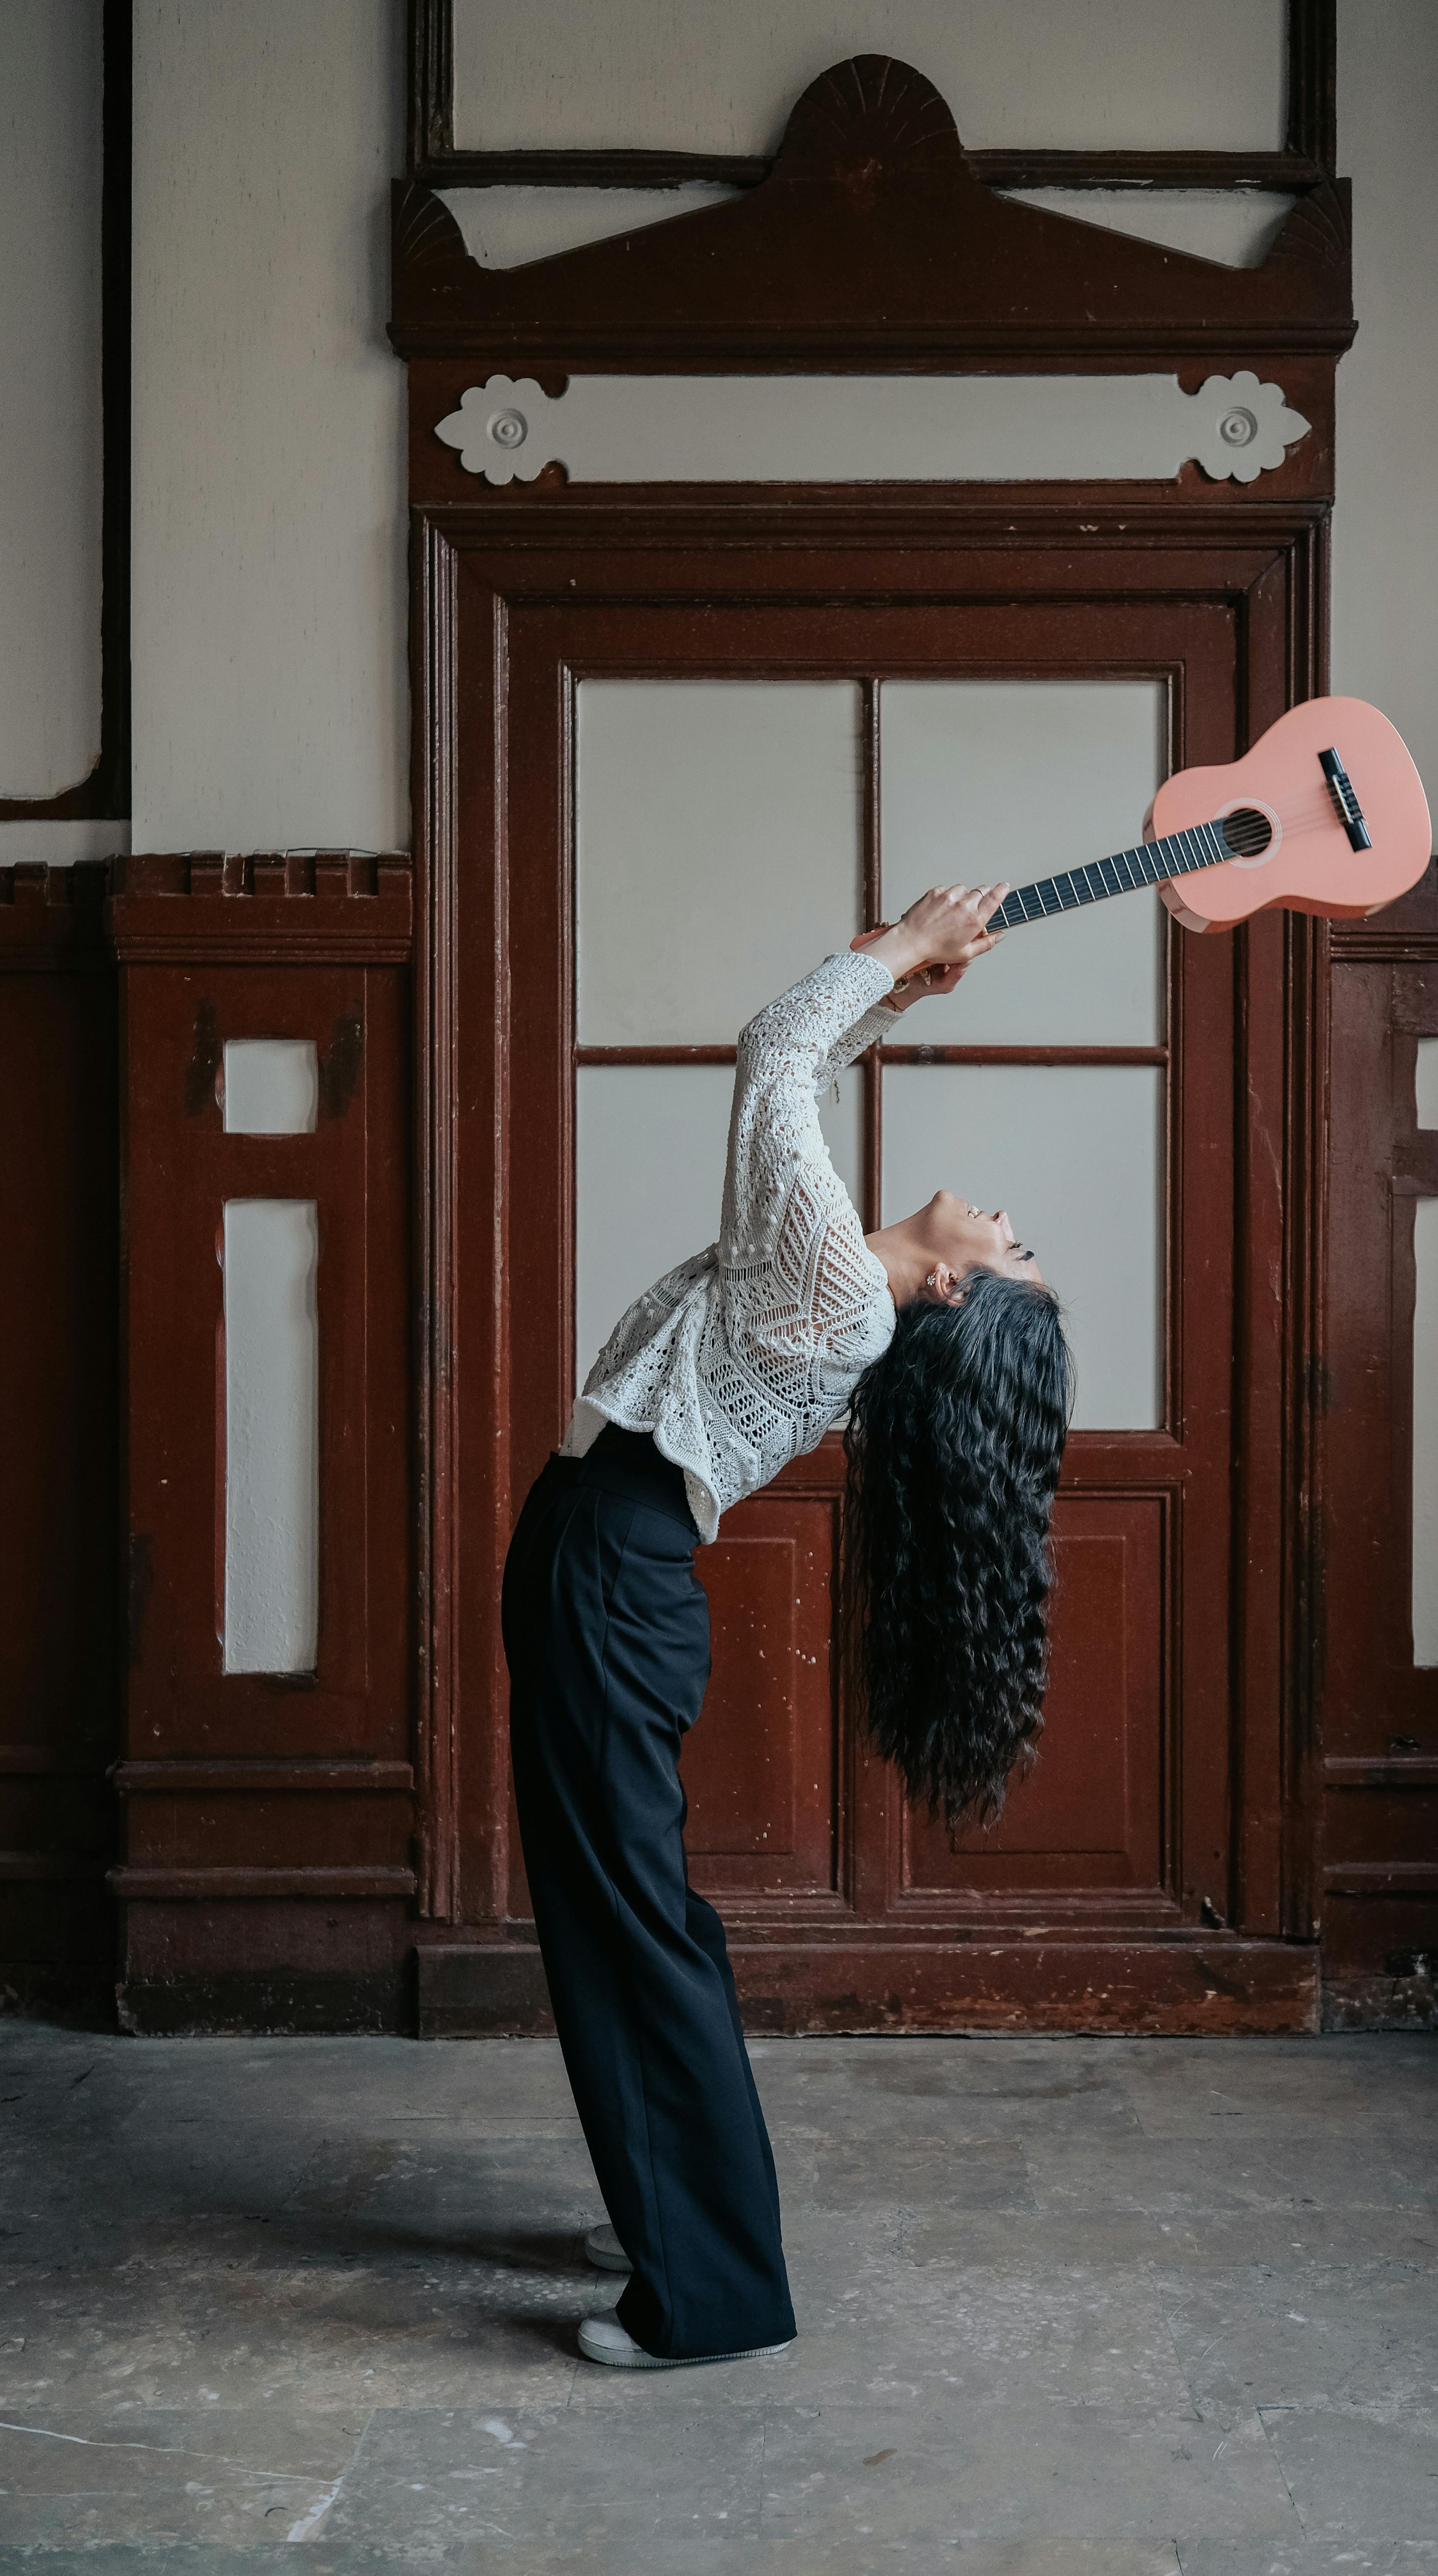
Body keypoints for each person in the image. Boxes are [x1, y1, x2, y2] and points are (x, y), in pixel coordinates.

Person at [501, 882, 1073, 2372]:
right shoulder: (837, 1281)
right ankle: (672, 2222)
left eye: (1011, 1249)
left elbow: (769, 1055)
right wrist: (895, 994)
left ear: (952, 1283)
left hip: (608, 1580)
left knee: (633, 1932)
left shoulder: (838, 1298)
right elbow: (804, 1084)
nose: (1010, 1221)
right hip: (606, 1575)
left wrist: (898, 948)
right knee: (624, 1922)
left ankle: (709, 2293)